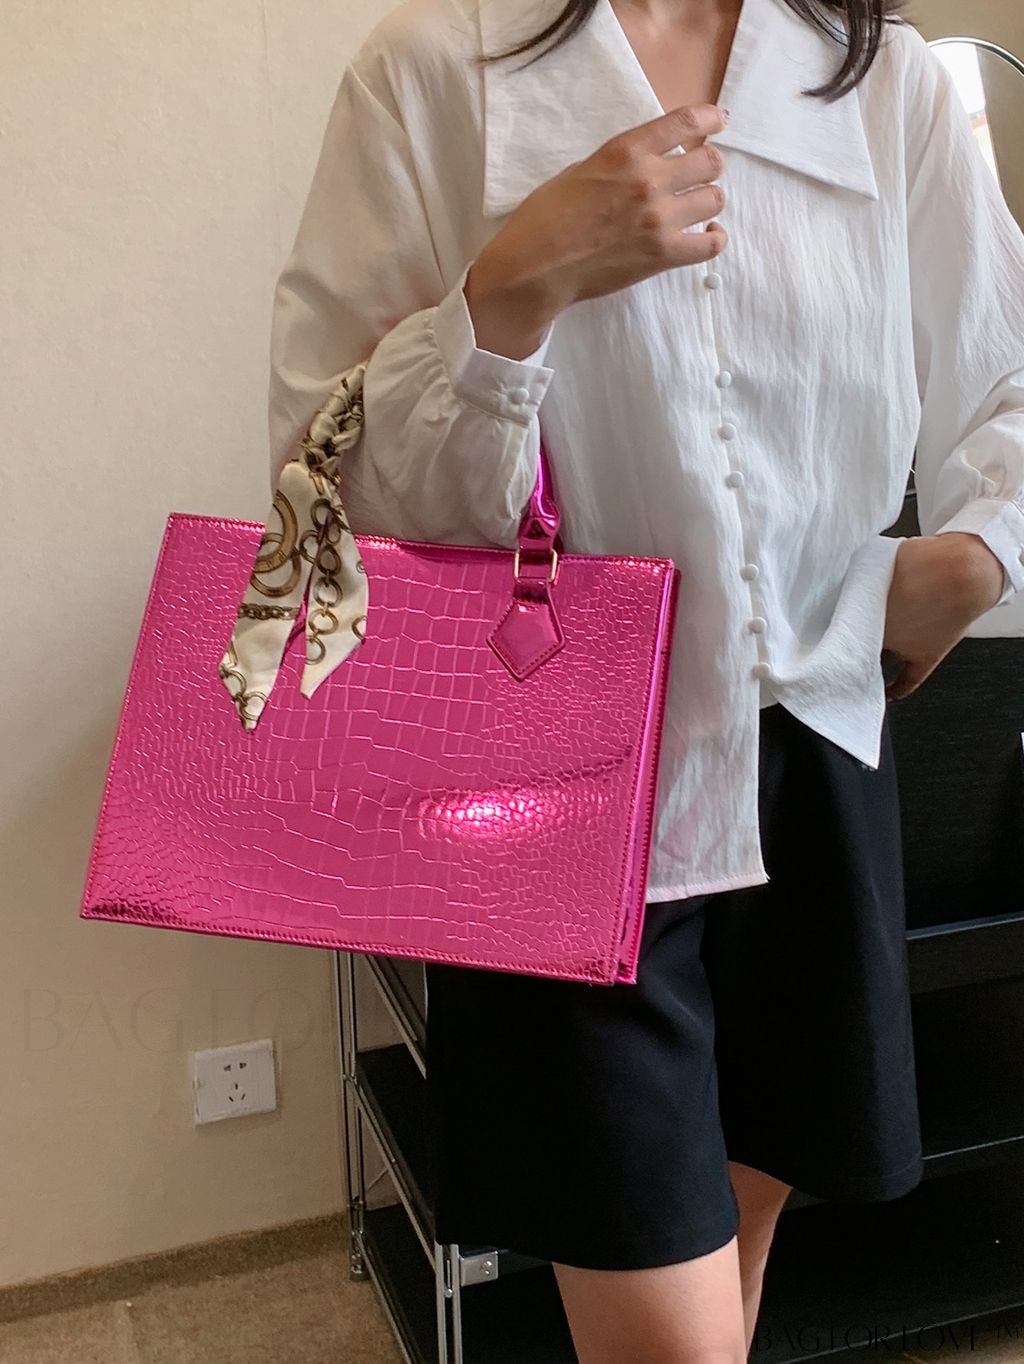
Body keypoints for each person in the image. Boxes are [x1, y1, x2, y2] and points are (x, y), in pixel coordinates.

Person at [267, 0, 1024, 1357]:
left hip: (814, 746)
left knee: (736, 1254)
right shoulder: (438, 71)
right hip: (555, 776)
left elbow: (1005, 369)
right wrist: (511, 293)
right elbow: (330, 487)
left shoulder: (877, 76)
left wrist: (976, 558)